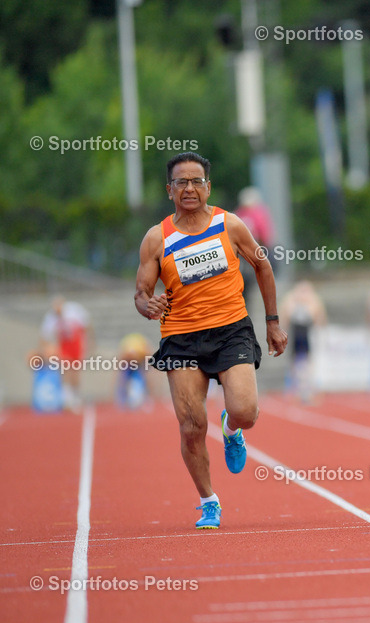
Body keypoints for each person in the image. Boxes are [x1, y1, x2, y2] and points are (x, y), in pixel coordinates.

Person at [134, 152, 287, 530]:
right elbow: (140, 293)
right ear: (169, 190)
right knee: (191, 426)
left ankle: (231, 429)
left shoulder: (229, 224)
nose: (189, 188)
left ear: (208, 187)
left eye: (196, 181)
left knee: (246, 412)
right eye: (181, 182)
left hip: (230, 330)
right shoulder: (157, 238)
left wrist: (272, 321)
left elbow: (263, 264)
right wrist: (147, 304)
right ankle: (209, 501)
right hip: (181, 338)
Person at [40, 296, 90, 411]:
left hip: (76, 344)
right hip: (63, 346)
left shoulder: (74, 311)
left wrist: (87, 343)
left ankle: (76, 397)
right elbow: (44, 336)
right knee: (66, 370)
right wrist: (49, 349)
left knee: (75, 372)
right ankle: (67, 398)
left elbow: (86, 327)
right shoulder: (51, 317)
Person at [280, 279, 327, 403]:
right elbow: (285, 315)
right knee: (294, 362)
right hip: (296, 332)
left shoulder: (313, 300)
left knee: (307, 363)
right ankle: (295, 388)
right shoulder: (291, 299)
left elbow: (319, 316)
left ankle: (306, 389)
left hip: (307, 332)